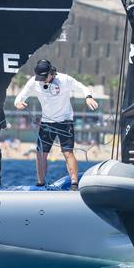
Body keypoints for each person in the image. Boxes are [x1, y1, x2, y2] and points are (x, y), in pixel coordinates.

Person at [14, 60, 98, 190]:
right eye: (40, 78)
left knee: (67, 153)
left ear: (51, 73)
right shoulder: (34, 82)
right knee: (40, 153)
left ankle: (74, 184)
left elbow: (82, 87)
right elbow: (19, 98)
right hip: (47, 122)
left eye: (44, 77)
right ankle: (40, 183)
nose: (42, 81)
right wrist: (18, 104)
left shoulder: (64, 79)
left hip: (65, 121)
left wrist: (88, 97)